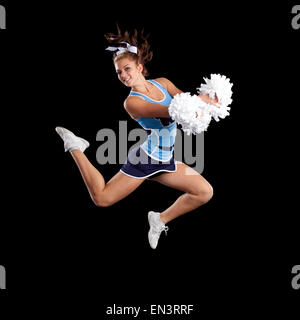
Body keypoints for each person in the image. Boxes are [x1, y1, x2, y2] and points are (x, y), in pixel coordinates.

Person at [55, 27, 217, 249]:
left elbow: (186, 102)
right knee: (102, 198)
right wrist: (205, 100)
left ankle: (159, 219)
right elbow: (175, 110)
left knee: (204, 192)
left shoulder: (164, 83)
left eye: (127, 68)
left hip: (165, 159)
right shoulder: (132, 103)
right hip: (146, 160)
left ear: (140, 67)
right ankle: (75, 146)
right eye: (119, 72)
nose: (123, 75)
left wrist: (210, 100)